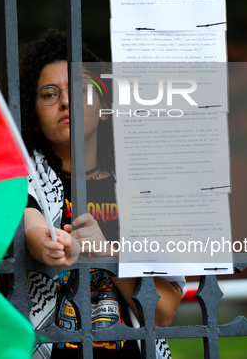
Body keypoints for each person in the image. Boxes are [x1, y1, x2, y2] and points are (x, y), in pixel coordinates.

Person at [20, 29, 183, 359]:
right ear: (34, 118)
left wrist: (105, 254)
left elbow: (164, 311)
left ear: (104, 102)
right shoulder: (26, 175)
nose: (66, 101)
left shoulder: (143, 184)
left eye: (79, 89)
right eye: (49, 94)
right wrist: (49, 244)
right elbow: (32, 222)